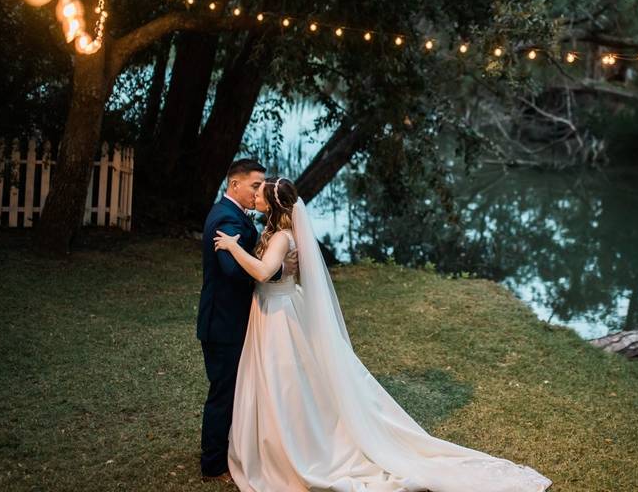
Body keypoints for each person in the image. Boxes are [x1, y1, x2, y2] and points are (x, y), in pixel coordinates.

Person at [213, 176, 552, 492]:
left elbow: (262, 270)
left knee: (282, 381)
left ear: (271, 205)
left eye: (259, 192)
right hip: (272, 309)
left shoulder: (282, 237)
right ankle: (277, 440)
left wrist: (231, 246)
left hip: (279, 316)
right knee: (279, 381)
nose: (254, 195)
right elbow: (275, 269)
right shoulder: (276, 233)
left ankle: (291, 446)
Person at [198, 158, 266, 482]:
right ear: (235, 184)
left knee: (231, 389)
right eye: (255, 186)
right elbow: (233, 269)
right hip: (223, 323)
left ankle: (228, 450)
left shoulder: (229, 212)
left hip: (227, 318)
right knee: (223, 393)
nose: (259, 192)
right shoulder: (226, 218)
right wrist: (270, 273)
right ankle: (212, 464)